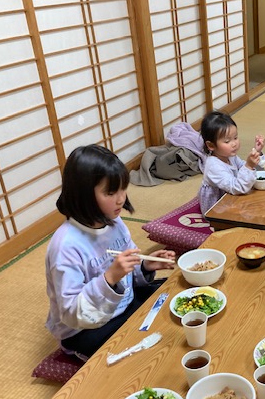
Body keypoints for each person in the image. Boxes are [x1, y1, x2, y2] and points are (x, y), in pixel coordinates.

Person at [45, 145, 176, 360]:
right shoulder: (65, 247)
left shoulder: (114, 222)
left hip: (123, 305)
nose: (121, 199)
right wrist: (110, 277)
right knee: (140, 353)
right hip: (85, 329)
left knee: (173, 297)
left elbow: (127, 270)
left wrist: (144, 266)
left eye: (123, 189)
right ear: (84, 194)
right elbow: (70, 313)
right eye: (111, 192)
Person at [198, 111, 265, 214]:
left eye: (235, 138)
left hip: (232, 194)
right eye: (227, 141)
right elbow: (237, 188)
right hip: (216, 208)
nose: (234, 144)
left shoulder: (229, 155)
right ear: (211, 145)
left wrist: (256, 152)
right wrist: (249, 166)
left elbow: (246, 168)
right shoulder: (213, 166)